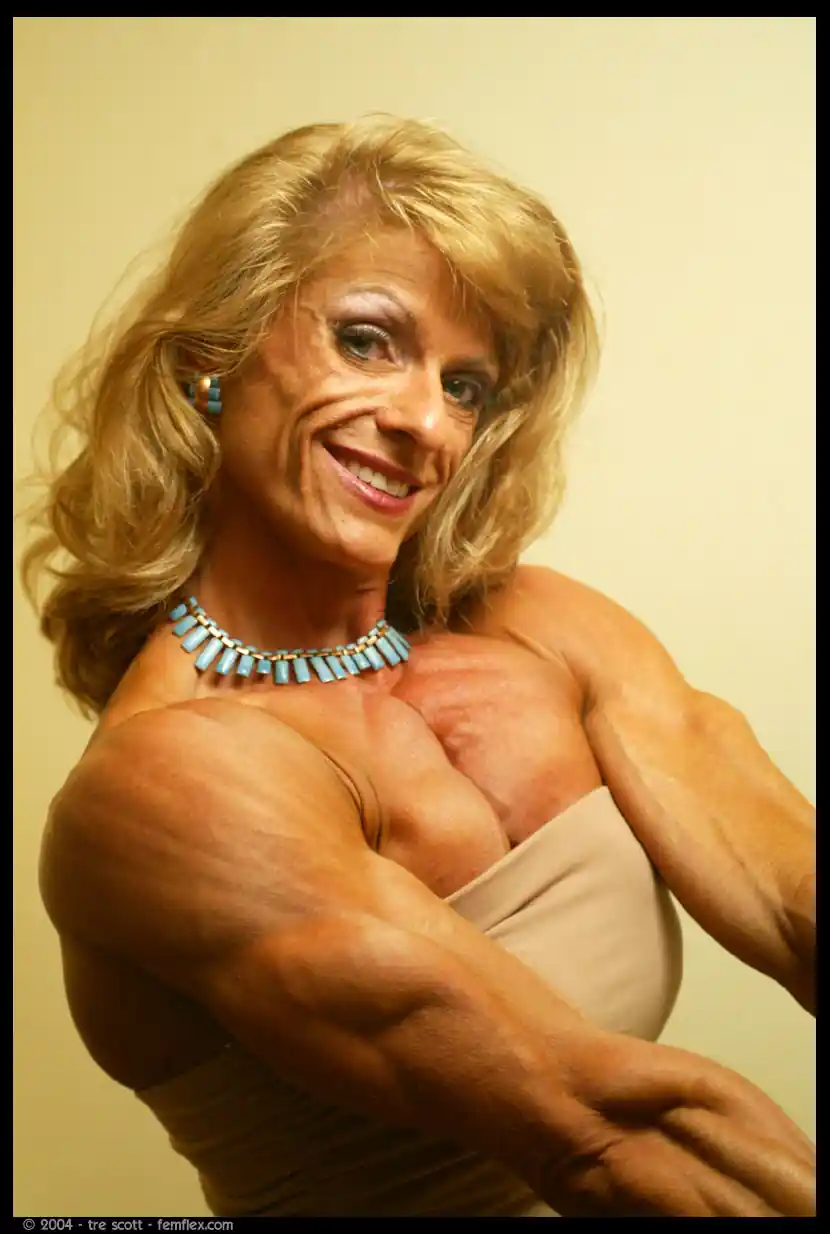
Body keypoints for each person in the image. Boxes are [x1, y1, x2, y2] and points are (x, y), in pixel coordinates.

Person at [23, 116, 814, 1218]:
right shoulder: (160, 786)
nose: (423, 422)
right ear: (214, 359)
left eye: (465, 385)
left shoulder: (541, 628)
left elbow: (793, 895)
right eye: (366, 341)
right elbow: (601, 1132)